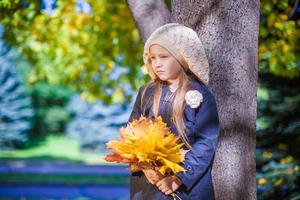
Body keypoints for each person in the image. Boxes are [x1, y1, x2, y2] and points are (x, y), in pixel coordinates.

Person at [127, 23, 220, 200]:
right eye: (152, 58)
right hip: (148, 184)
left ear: (181, 59)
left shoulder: (200, 95)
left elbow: (206, 142)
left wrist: (179, 179)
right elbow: (132, 133)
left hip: (188, 186)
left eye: (163, 57)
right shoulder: (146, 93)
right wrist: (145, 167)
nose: (157, 64)